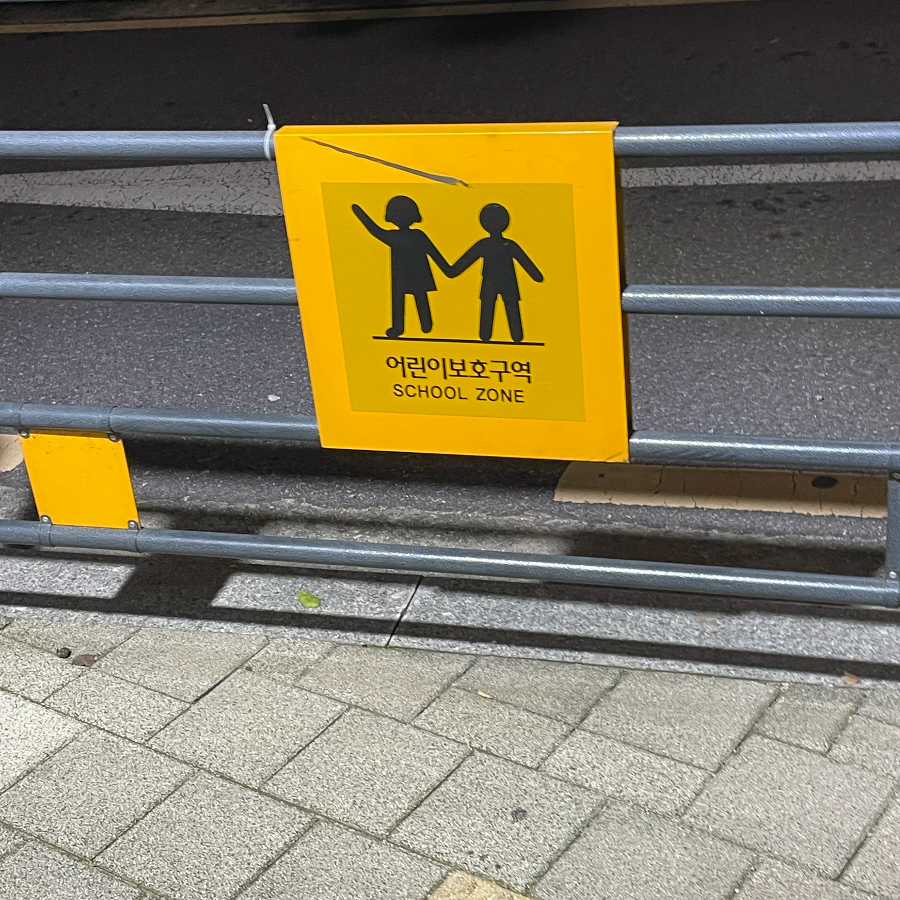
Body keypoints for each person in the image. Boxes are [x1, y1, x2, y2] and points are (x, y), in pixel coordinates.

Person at [352, 196, 452, 338]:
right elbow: (375, 231)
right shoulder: (411, 235)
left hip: (413, 273)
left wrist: (359, 212)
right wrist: (358, 212)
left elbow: (375, 230)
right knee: (408, 298)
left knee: (414, 297)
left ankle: (422, 324)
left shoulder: (412, 236)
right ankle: (407, 326)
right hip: (406, 274)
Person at [448, 203, 543, 343]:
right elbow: (528, 265)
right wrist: (536, 276)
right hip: (502, 283)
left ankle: (495, 336)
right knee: (500, 306)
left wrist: (450, 271)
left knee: (495, 306)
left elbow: (462, 264)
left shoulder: (489, 244)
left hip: (494, 283)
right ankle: (509, 336)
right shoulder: (508, 245)